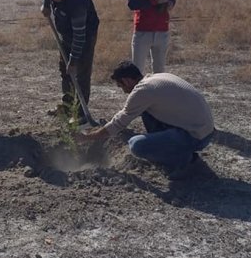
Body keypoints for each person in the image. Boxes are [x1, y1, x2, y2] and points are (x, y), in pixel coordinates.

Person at [79, 61, 214, 179]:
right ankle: (175, 149)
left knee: (136, 145)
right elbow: (127, 113)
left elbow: (119, 122)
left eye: (121, 86)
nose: (124, 91)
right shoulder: (156, 78)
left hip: (196, 137)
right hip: (205, 131)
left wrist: (88, 137)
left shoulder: (142, 91)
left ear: (126, 81)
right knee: (146, 113)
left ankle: (185, 161)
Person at [40, 0, 99, 123]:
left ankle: (80, 115)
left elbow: (79, 37)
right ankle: (67, 108)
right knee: (65, 71)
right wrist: (46, 5)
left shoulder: (77, 0)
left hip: (84, 35)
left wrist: (73, 61)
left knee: (81, 74)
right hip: (66, 32)